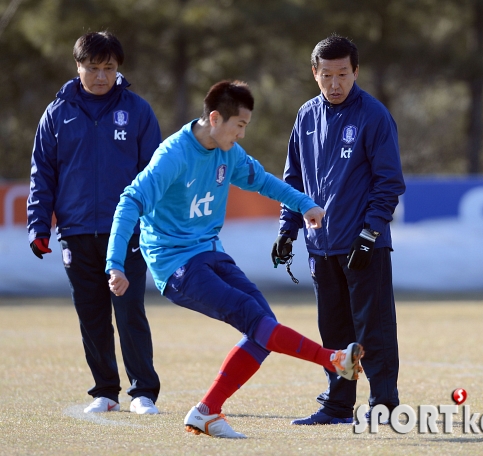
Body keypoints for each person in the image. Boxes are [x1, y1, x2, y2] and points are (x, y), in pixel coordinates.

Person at [105, 80, 364, 438]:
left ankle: (207, 411)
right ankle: (333, 360)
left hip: (211, 252)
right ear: (215, 118)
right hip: (175, 264)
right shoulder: (173, 156)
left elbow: (264, 182)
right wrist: (115, 264)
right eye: (239, 126)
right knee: (257, 322)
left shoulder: (229, 153)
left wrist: (304, 204)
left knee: (264, 328)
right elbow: (129, 201)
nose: (241, 135)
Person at [271, 35, 406, 425]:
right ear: (314, 73)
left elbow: (389, 182)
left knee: (374, 331)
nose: (335, 83)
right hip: (320, 249)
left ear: (356, 72)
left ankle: (384, 408)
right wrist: (287, 229)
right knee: (333, 333)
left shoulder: (374, 115)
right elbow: (292, 180)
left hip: (363, 246)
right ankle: (338, 406)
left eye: (343, 74)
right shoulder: (305, 116)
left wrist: (370, 234)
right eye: (326, 74)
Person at [27, 31, 161, 415]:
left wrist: (153, 225)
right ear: (78, 67)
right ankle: (105, 391)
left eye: (109, 68)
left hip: (128, 232)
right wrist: (38, 226)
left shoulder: (137, 110)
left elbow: (155, 174)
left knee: (129, 309)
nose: (101, 76)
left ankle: (143, 393)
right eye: (93, 67)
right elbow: (43, 175)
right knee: (92, 314)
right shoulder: (56, 114)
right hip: (76, 232)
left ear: (118, 69)